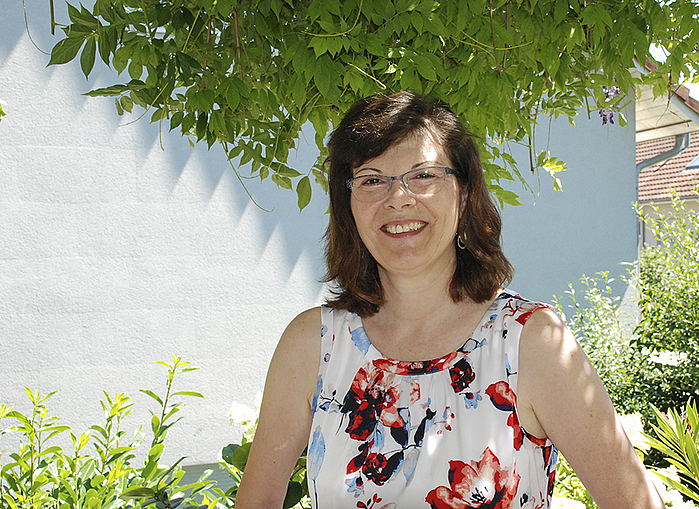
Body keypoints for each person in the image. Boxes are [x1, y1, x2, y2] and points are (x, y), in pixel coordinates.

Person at [236, 91, 664, 509]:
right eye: (371, 180)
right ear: (347, 205)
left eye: (423, 175)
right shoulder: (312, 343)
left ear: (464, 193)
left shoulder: (531, 343)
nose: (397, 197)